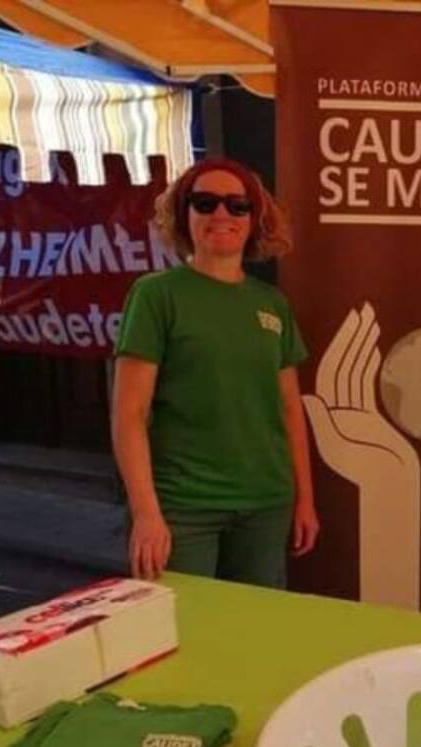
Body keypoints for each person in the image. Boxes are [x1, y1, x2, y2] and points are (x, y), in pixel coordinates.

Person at [112, 157, 319, 588]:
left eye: (237, 205)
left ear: (254, 218)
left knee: (254, 623)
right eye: (205, 203)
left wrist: (305, 499)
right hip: (183, 506)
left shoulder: (272, 304)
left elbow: (289, 409)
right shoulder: (156, 296)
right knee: (182, 621)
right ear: (184, 214)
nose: (221, 214)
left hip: (266, 503)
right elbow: (130, 414)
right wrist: (146, 513)